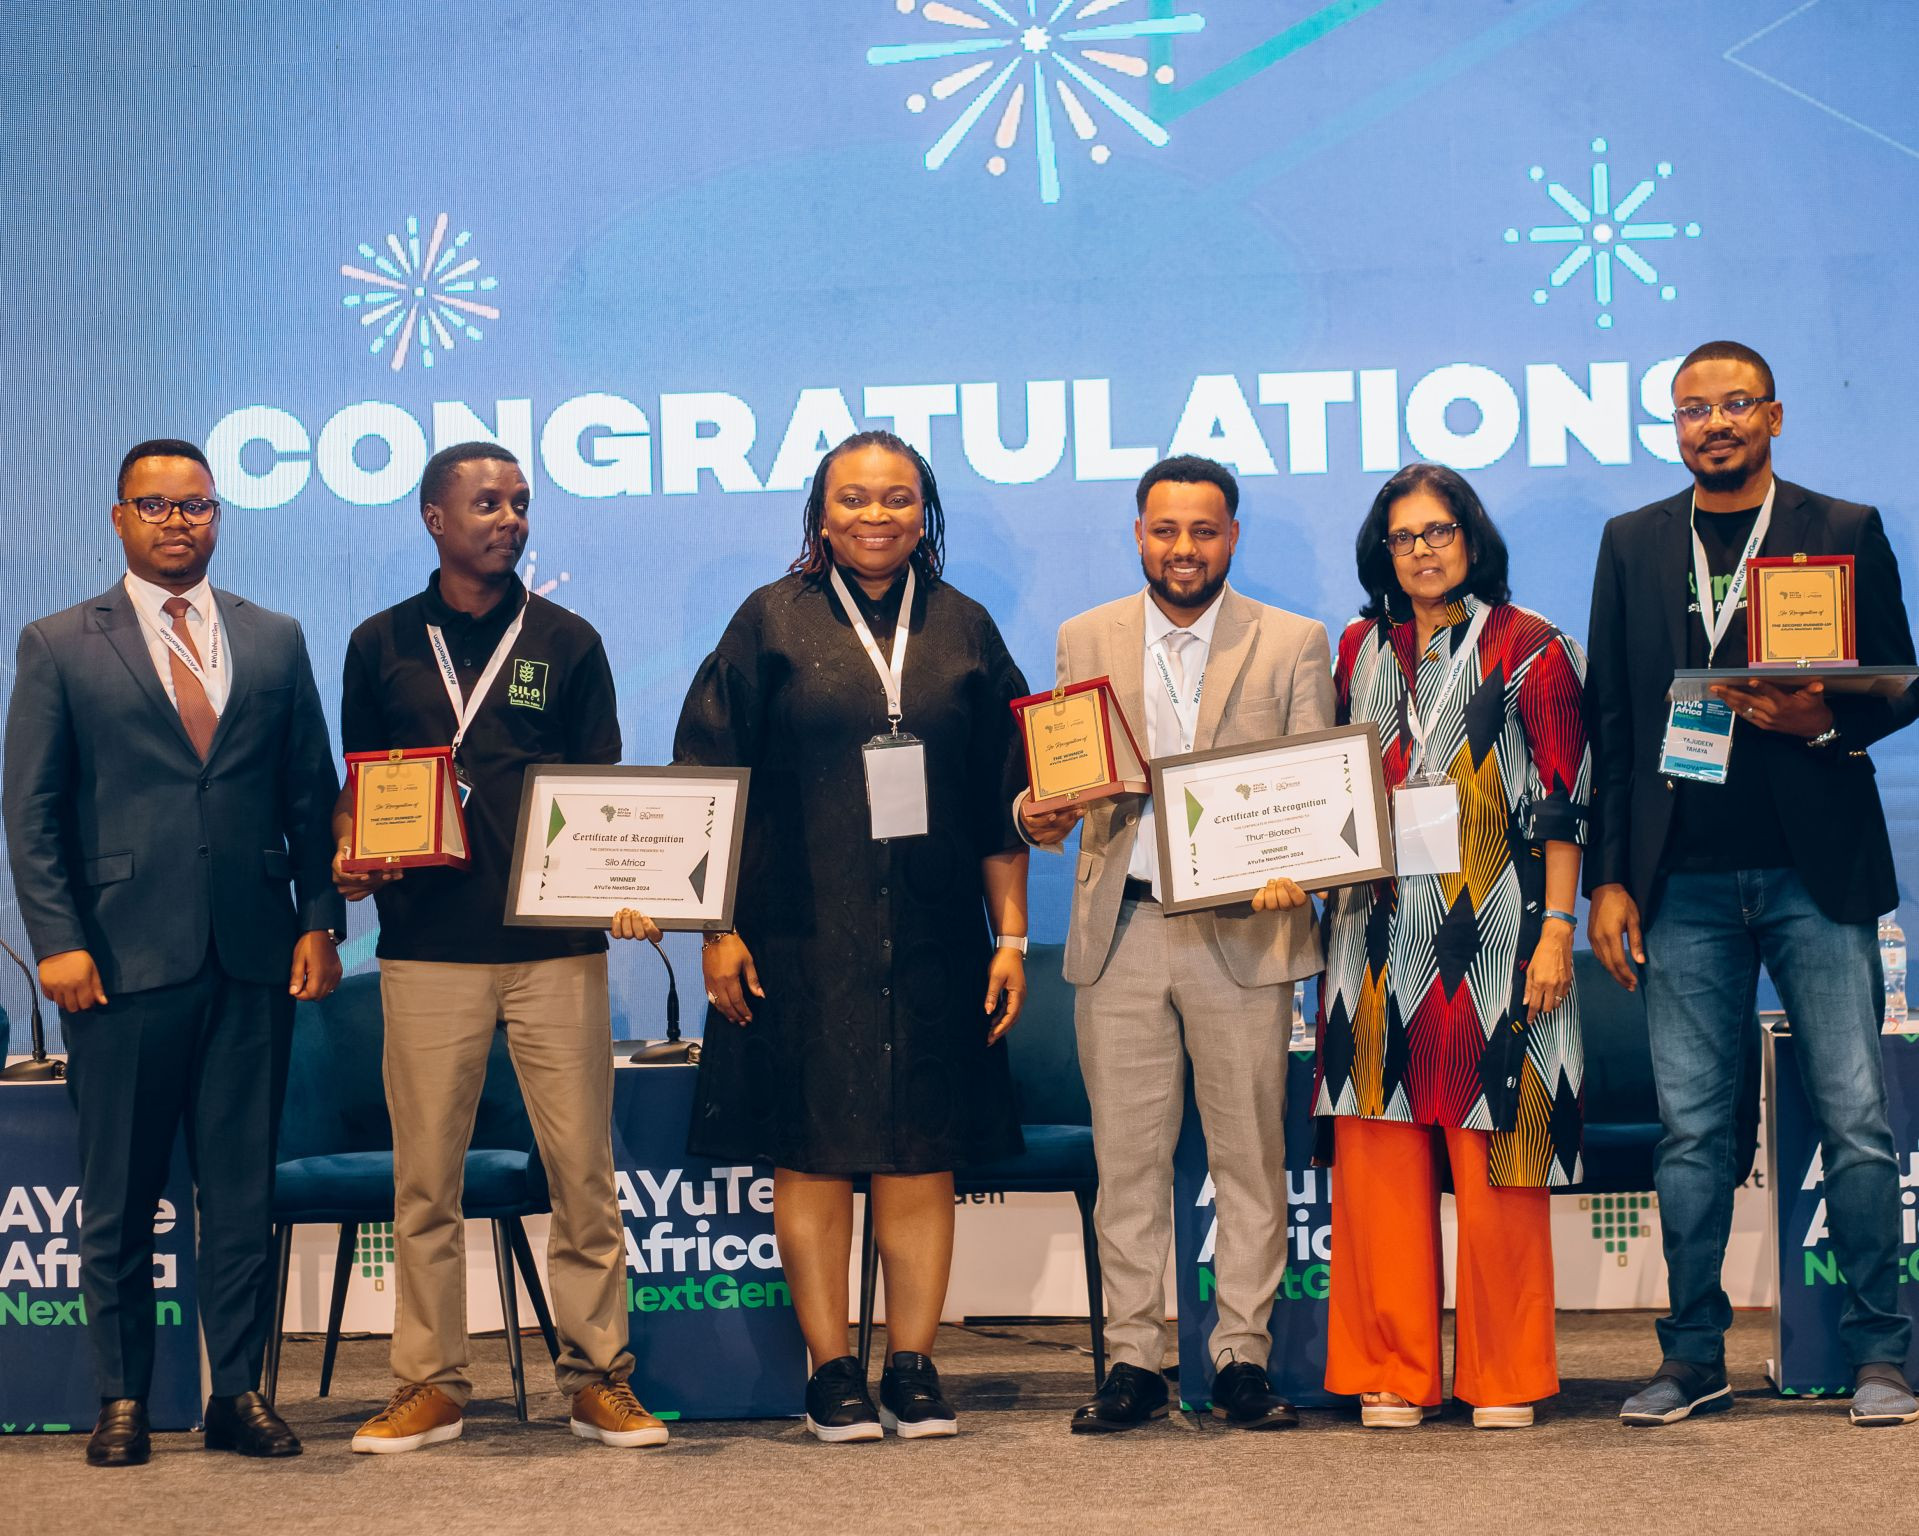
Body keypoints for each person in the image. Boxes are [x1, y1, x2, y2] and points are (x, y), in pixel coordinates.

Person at [1586, 340, 1919, 1428]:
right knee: (1690, 1132)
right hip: (1678, 879)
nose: (1711, 425)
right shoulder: (1632, 543)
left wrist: (1826, 719)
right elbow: (1614, 727)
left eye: (1733, 406)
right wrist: (1608, 880)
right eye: (1691, 410)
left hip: (1810, 869)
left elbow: (1897, 683)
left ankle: (1879, 1354)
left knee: (1856, 1118)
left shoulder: (1842, 529)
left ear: (1772, 416)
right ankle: (1690, 1357)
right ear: (1672, 426)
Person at [672, 429, 1030, 1442]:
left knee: (920, 1155)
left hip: (932, 936)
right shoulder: (766, 624)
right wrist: (716, 926)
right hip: (796, 933)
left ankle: (913, 1366)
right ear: (819, 515)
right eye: (854, 500)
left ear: (925, 514)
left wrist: (1008, 938)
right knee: (813, 1154)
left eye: (896, 500)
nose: (876, 517)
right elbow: (708, 781)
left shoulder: (964, 629)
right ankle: (831, 1369)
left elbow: (1002, 797)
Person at [2, 438, 344, 1466]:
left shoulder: (274, 639)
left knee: (239, 1191)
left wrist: (320, 919)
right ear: (119, 519)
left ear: (217, 515)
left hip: (252, 956)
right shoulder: (59, 643)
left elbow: (307, 795)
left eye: (194, 506)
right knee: (117, 1192)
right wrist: (56, 941)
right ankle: (122, 1400)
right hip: (116, 962)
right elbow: (33, 811)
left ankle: (236, 1393)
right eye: (154, 507)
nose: (176, 522)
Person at [332, 442, 659, 1453]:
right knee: (424, 1181)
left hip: (556, 947)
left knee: (582, 1178)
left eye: (519, 502)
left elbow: (600, 791)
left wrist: (627, 883)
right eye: (485, 502)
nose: (508, 517)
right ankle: (429, 1382)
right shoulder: (379, 643)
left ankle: (597, 1375)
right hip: (426, 947)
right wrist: (354, 856)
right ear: (434, 517)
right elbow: (358, 791)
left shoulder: (567, 640)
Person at [1018, 454, 1330, 1434]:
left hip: (1244, 929)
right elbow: (1056, 784)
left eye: (1202, 530)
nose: (1182, 548)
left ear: (1230, 537)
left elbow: (1315, 792)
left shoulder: (1292, 642)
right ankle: (1133, 1362)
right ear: (1137, 532)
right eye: (1163, 529)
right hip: (1123, 931)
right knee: (1127, 1165)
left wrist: (1303, 866)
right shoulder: (1085, 636)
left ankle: (1241, 1358)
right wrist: (1035, 813)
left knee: (1248, 1160)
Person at [1315, 463, 1587, 1431]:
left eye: (1437, 531)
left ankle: (1503, 1372)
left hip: (1499, 934)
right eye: (1402, 536)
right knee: (1379, 1164)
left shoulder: (1532, 647)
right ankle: (1390, 1367)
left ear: (1470, 539)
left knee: (1497, 1162)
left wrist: (1558, 930)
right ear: (1379, 552)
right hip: (1372, 937)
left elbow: (1563, 803)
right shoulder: (1357, 648)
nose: (1421, 550)